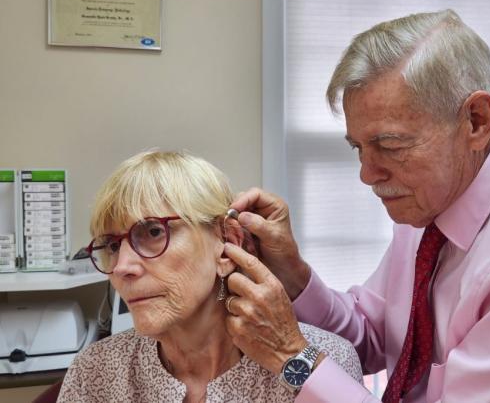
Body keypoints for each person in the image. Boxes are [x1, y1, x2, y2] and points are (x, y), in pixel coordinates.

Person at [222, 9, 490, 402]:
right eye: (359, 148)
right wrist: (291, 274)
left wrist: (290, 356)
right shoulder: (430, 201)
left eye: (390, 146)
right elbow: (374, 337)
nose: (367, 175)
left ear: (476, 120)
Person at [57, 151, 362, 402]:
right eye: (112, 245)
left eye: (152, 232)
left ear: (227, 243)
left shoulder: (323, 365)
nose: (122, 266)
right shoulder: (94, 372)